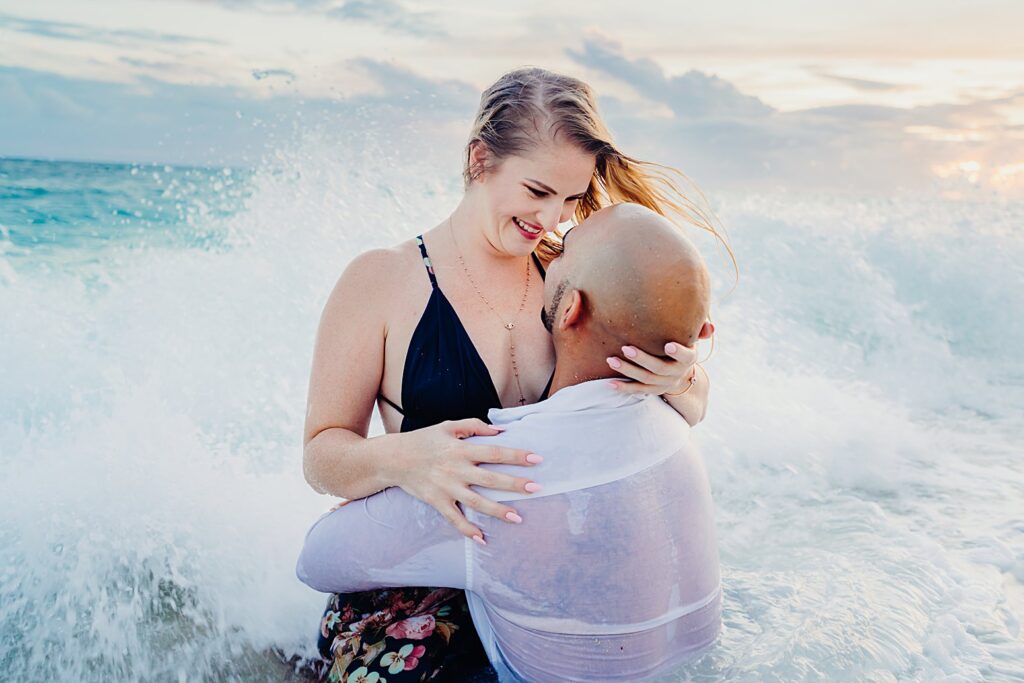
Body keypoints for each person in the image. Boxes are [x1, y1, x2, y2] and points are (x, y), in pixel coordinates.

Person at [302, 67, 732, 680]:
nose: (552, 218)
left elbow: (689, 409)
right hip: (428, 572)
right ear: (480, 160)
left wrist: (680, 377)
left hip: (549, 585)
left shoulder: (574, 277)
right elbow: (321, 457)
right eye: (537, 190)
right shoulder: (381, 281)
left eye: (570, 198)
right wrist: (404, 458)